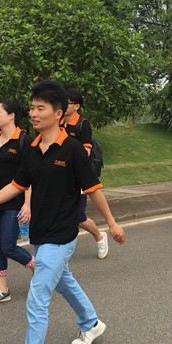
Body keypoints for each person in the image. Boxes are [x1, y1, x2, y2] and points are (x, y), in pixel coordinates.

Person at [0, 80, 126, 344]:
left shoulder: (73, 149)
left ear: (58, 113)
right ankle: (91, 323)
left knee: (38, 296)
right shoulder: (32, 148)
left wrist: (112, 224)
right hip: (39, 233)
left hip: (62, 235)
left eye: (41, 108)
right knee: (64, 281)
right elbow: (17, 185)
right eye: (32, 107)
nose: (34, 113)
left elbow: (93, 189)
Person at [0, 101, 36, 306]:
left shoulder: (24, 141)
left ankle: (38, 269)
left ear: (11, 115)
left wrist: (27, 204)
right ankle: (2, 290)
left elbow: (30, 176)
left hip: (15, 202)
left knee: (8, 246)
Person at [61, 88, 109, 259]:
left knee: (79, 216)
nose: (63, 105)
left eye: (67, 102)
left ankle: (100, 236)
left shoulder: (82, 124)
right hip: (60, 175)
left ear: (77, 106)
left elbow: (86, 151)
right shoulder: (58, 122)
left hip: (78, 177)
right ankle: (61, 247)